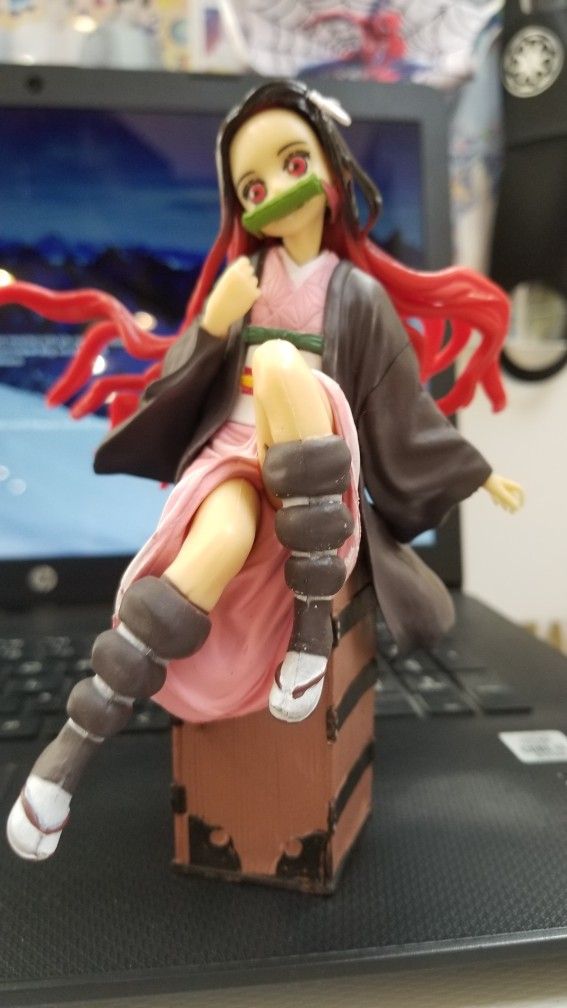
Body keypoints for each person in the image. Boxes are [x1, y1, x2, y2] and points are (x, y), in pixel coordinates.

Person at [3, 80, 523, 861]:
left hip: (314, 443)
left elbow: (401, 402)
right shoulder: (244, 283)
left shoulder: (356, 295)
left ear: (332, 173)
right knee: (214, 543)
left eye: (293, 164)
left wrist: (474, 471)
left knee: (281, 366)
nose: (275, 192)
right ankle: (70, 752)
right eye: (252, 187)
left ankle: (311, 634)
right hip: (235, 453)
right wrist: (214, 324)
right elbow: (172, 386)